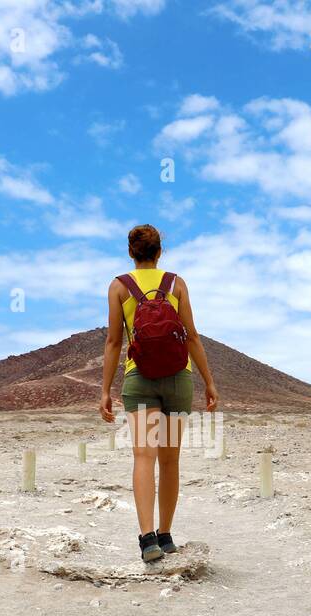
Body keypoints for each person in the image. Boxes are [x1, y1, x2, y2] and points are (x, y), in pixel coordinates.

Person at [101, 224, 219, 562]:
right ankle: (167, 535)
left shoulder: (119, 286)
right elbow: (193, 336)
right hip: (179, 379)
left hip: (139, 379)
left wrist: (105, 390)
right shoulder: (176, 283)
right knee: (170, 461)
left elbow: (113, 341)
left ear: (130, 253)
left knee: (143, 457)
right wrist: (209, 381)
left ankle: (147, 539)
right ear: (159, 253)